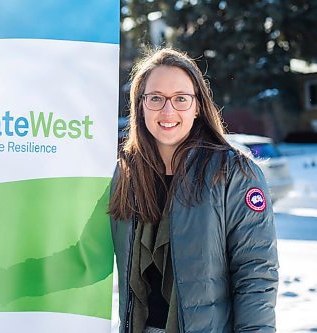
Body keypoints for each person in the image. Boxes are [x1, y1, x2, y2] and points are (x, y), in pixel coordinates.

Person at [109, 48, 279, 333]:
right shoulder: (126, 175)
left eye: (180, 99)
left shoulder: (234, 172)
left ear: (197, 106)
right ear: (140, 105)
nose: (167, 111)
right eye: (155, 98)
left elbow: (256, 275)